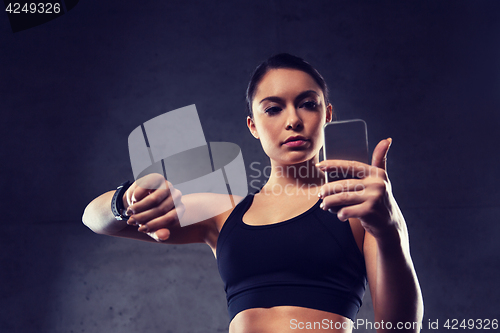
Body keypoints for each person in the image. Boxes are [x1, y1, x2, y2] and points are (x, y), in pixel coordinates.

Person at [83, 53, 424, 332]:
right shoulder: (224, 214)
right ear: (253, 126)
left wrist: (389, 230)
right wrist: (128, 197)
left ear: (327, 115)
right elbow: (95, 219)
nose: (293, 120)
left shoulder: (363, 210)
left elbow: (399, 331)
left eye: (307, 103)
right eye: (273, 108)